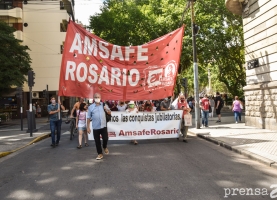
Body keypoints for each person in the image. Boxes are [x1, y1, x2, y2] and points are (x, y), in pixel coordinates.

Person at [87, 93, 111, 160]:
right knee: (97, 141)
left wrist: (106, 109)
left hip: (103, 126)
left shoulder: (104, 105)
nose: (97, 98)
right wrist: (88, 127)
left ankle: (104, 147)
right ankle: (100, 154)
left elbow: (110, 113)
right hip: (95, 127)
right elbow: (88, 118)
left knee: (105, 138)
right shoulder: (91, 107)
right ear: (94, 98)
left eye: (98, 97)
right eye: (96, 97)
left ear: (100, 97)